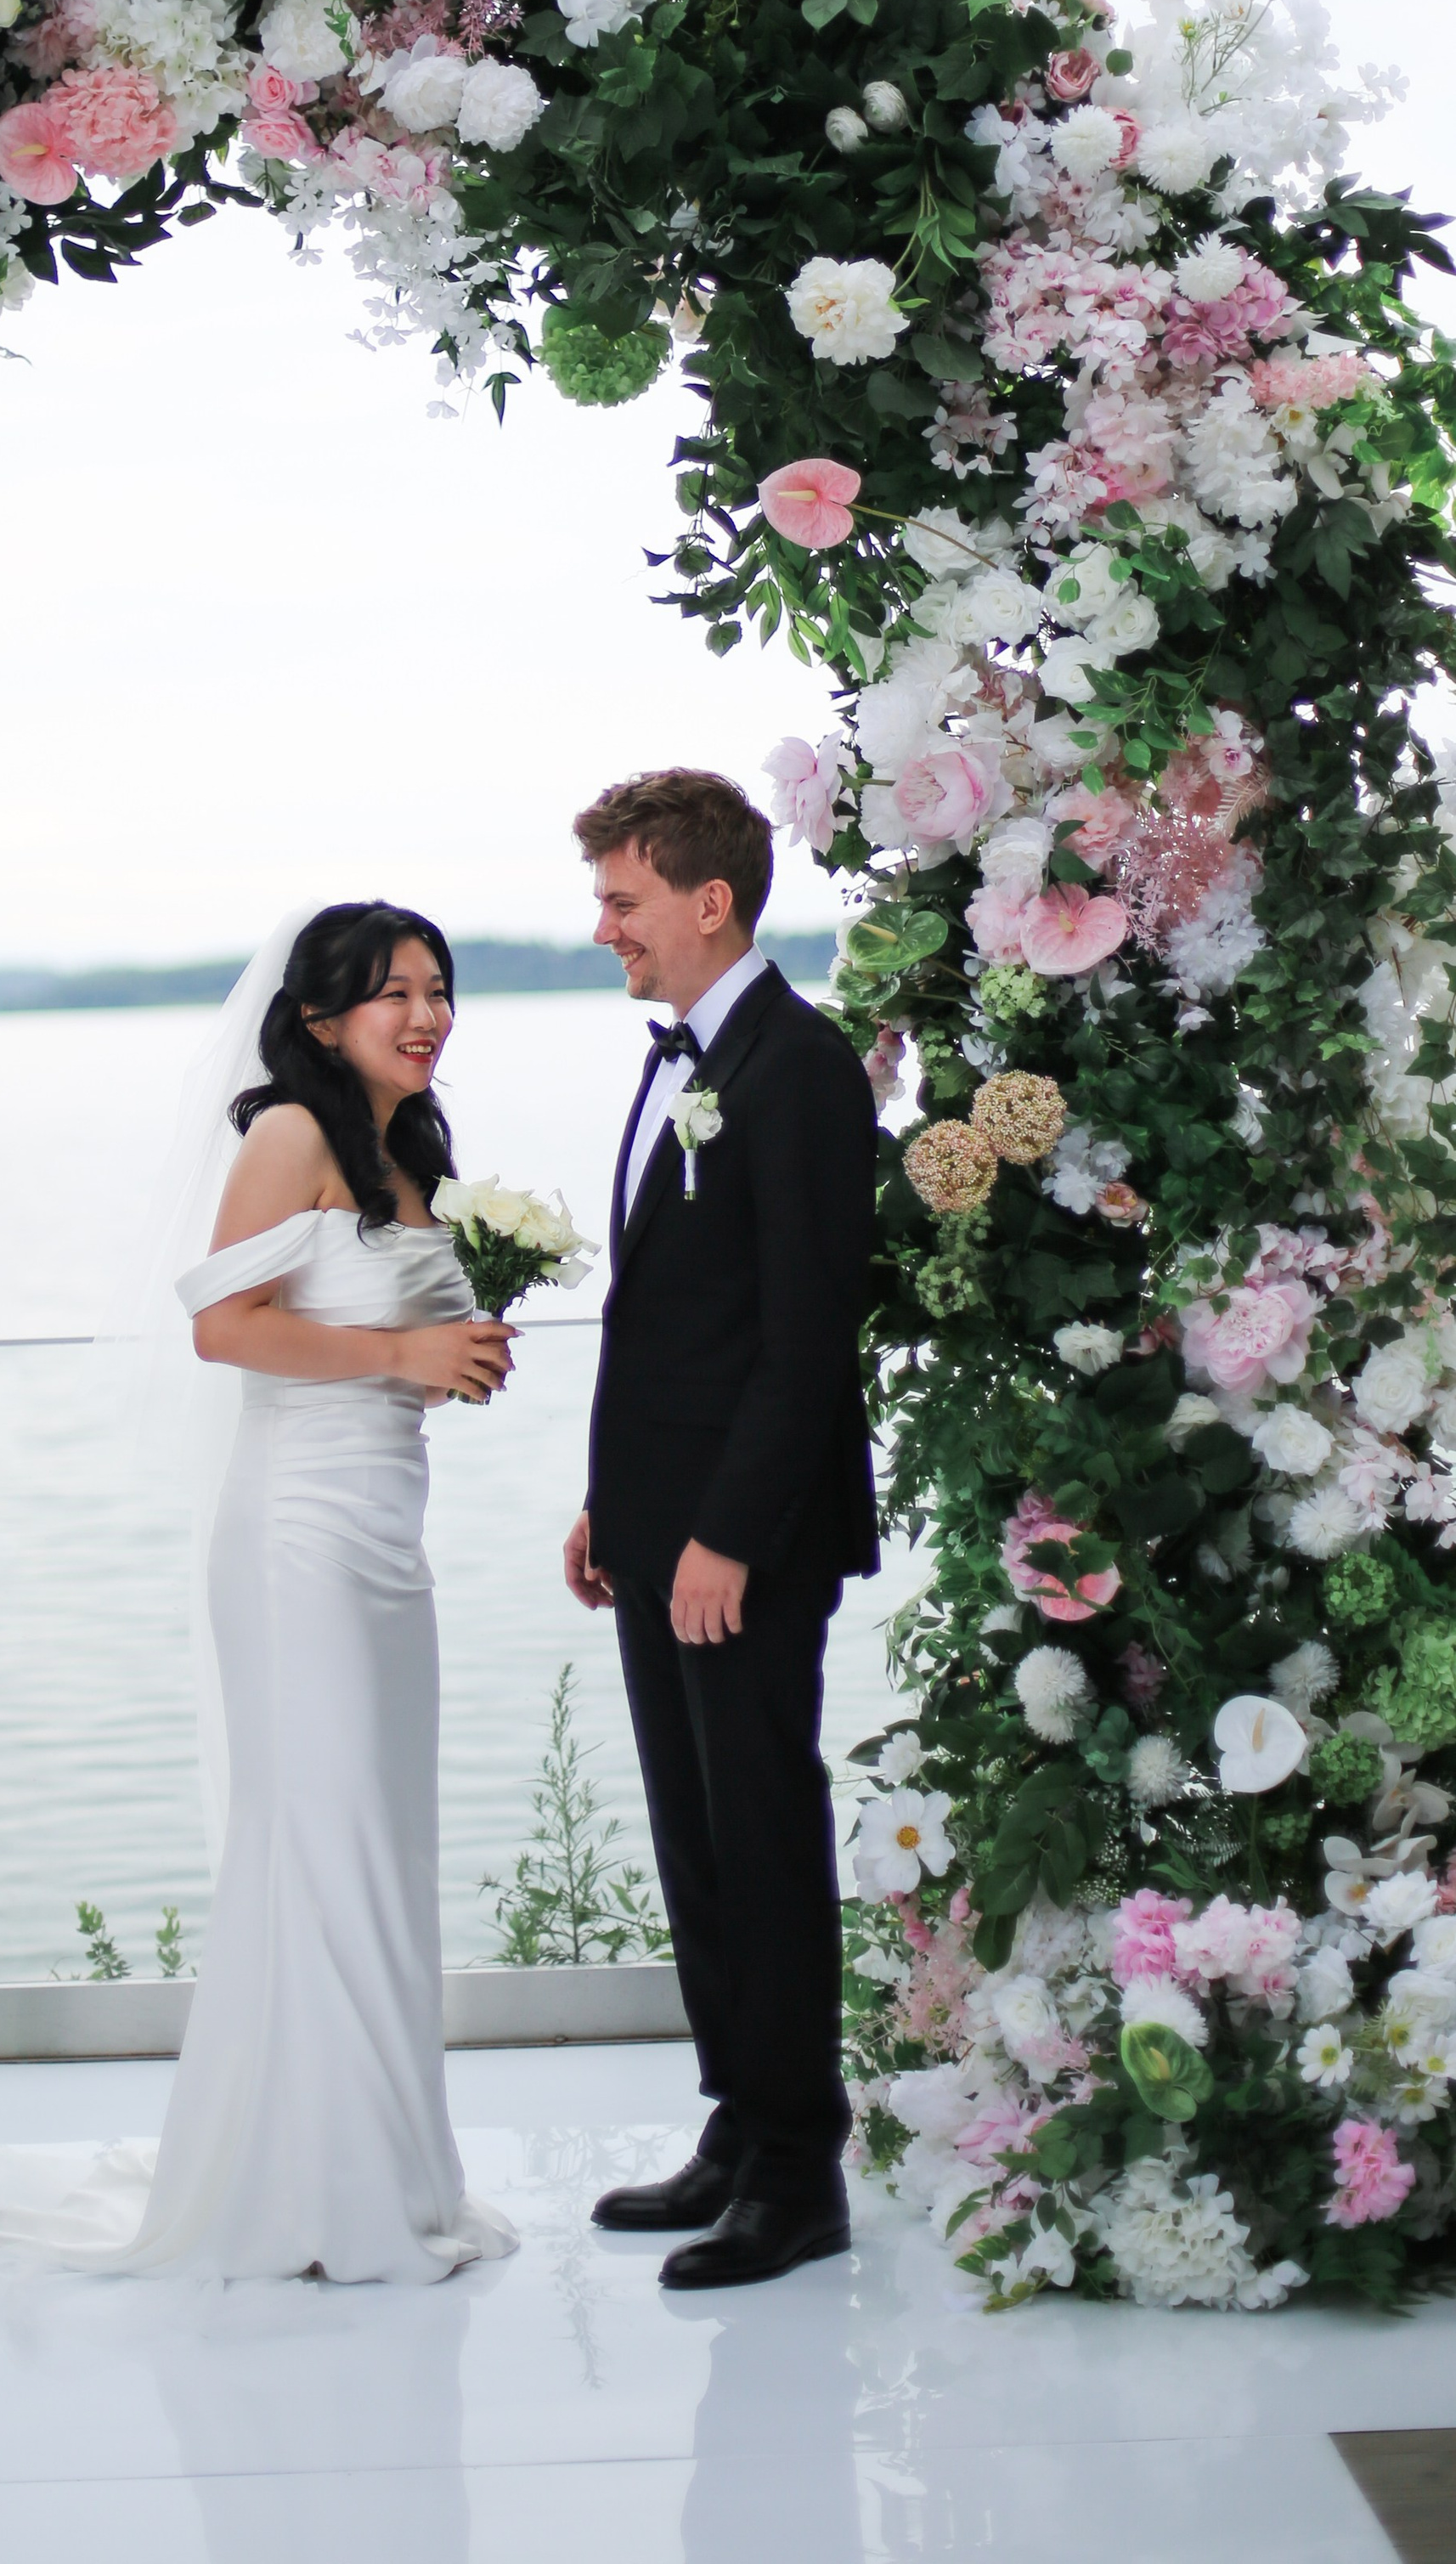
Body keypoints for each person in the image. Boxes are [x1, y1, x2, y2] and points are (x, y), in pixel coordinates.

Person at [0, 901, 518, 2283]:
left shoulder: (406, 1147)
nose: (427, 1016)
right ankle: (319, 2194)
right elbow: (221, 1328)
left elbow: (381, 1331)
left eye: (438, 989)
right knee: (319, 1841)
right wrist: (403, 1358)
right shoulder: (292, 1135)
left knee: (379, 1843)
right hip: (297, 1537)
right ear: (320, 1018)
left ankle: (384, 2169)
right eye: (394, 993)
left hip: (387, 1534)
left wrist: (455, 1357)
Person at [563, 770, 878, 2290]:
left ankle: (801, 2170)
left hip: (745, 1545)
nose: (604, 929)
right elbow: (671, 1321)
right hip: (661, 1528)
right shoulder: (692, 1055)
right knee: (694, 1838)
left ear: (709, 900)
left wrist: (729, 1536)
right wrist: (612, 1507)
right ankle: (740, 2124)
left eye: (622, 900)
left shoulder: (798, 1069)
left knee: (759, 1833)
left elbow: (808, 1340)